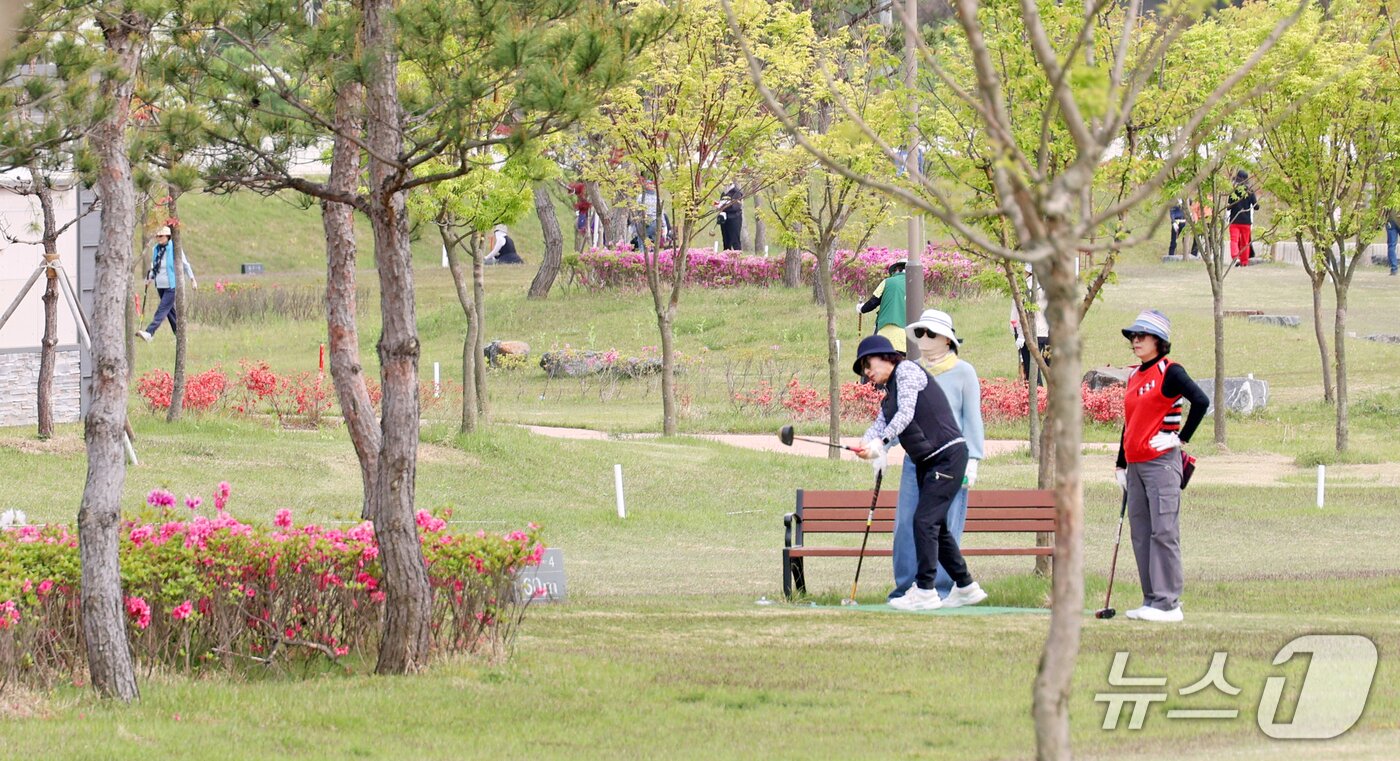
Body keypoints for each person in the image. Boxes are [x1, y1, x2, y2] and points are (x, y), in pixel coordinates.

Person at [850, 334, 987, 611]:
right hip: (930, 462)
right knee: (938, 527)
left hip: (947, 456)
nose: (867, 372)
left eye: (868, 363)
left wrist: (883, 443)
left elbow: (907, 413)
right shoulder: (888, 397)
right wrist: (867, 445)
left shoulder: (908, 371)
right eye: (864, 369)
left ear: (886, 356)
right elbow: (879, 426)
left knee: (924, 523)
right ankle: (966, 586)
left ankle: (925, 590)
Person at [1114, 309, 1210, 623]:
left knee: (1163, 532)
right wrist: (1120, 465)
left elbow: (1201, 401)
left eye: (1142, 336)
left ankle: (1169, 604)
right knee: (1141, 533)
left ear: (1159, 341)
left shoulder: (1170, 371)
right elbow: (1130, 423)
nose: (1135, 341)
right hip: (1137, 466)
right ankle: (1151, 600)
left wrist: (1179, 439)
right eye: (1133, 336)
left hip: (1162, 464)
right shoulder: (1134, 375)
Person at [887, 309, 985, 602]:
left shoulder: (964, 372)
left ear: (947, 340)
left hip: (950, 461)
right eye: (920, 333)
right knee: (907, 524)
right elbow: (898, 413)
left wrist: (973, 460)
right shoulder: (908, 370)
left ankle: (940, 588)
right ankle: (907, 587)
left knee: (943, 525)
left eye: (930, 333)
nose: (923, 339)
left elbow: (972, 418)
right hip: (916, 460)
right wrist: (883, 444)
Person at [137, 226, 196, 343]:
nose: (158, 238)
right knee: (170, 312)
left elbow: (185, 264)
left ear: (168, 236)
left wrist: (192, 279)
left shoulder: (174, 248)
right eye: (157, 236)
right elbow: (155, 266)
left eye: (161, 236)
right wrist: (150, 278)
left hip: (172, 285)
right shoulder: (156, 249)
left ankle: (149, 332)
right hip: (160, 285)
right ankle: (181, 337)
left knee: (162, 309)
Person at [857, 259, 908, 354]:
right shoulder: (915, 284)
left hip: (885, 333)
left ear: (896, 269)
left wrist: (862, 308)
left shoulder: (887, 282)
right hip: (907, 336)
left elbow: (873, 302)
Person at [1010, 272, 1050, 384]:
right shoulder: (1044, 281)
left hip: (1031, 333)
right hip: (1045, 331)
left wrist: (1021, 335)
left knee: (1032, 372)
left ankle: (1038, 398)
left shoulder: (1027, 286)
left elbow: (1024, 312)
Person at [1227, 170, 1258, 267]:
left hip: (1234, 220)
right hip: (1246, 221)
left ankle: (1235, 258)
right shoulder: (1250, 191)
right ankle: (1244, 262)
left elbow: (1229, 205)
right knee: (1245, 243)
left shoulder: (1234, 190)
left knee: (1234, 240)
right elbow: (1256, 206)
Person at [716, 181, 743, 252]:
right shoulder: (724, 193)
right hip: (724, 219)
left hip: (734, 219)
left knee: (735, 240)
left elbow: (736, 207)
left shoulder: (736, 193)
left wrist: (724, 206)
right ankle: (726, 258)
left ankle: (737, 259)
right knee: (726, 241)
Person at [1385, 208, 1398, 276]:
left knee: (1391, 246)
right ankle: (1394, 268)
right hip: (1393, 220)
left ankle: (1394, 269)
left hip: (1390, 220)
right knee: (1391, 246)